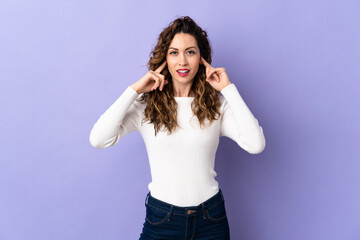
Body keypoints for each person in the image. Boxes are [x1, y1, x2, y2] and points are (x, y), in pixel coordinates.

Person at [89, 16, 265, 240]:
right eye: (174, 52)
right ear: (165, 58)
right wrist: (134, 90)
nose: (182, 61)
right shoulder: (146, 106)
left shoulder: (216, 105)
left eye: (190, 52)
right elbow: (98, 139)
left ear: (201, 58)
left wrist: (228, 89)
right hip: (162, 220)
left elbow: (256, 144)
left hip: (210, 220)